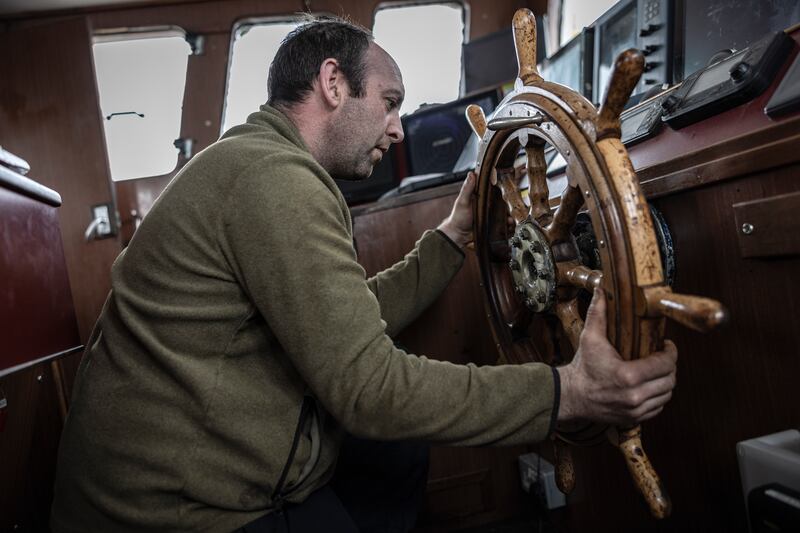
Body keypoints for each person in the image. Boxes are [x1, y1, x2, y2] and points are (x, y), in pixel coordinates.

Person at [51, 16, 677, 533]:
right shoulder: (275, 181)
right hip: (164, 514)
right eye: (390, 103)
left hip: (203, 464)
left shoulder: (257, 163)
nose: (398, 128)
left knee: (394, 451)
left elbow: (343, 319)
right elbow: (370, 389)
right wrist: (569, 392)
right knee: (386, 433)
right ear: (332, 83)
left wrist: (452, 236)